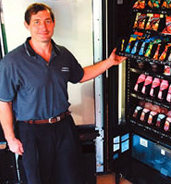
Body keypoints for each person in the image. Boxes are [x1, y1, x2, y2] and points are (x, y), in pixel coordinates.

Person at [0, 3, 126, 184]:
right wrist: (10, 138)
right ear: (27, 25)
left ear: (53, 23)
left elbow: (80, 75)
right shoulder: (11, 62)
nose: (43, 27)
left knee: (71, 177)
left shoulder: (63, 54)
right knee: (37, 179)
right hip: (31, 131)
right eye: (36, 22)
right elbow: (4, 102)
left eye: (47, 21)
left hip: (64, 126)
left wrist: (109, 62)